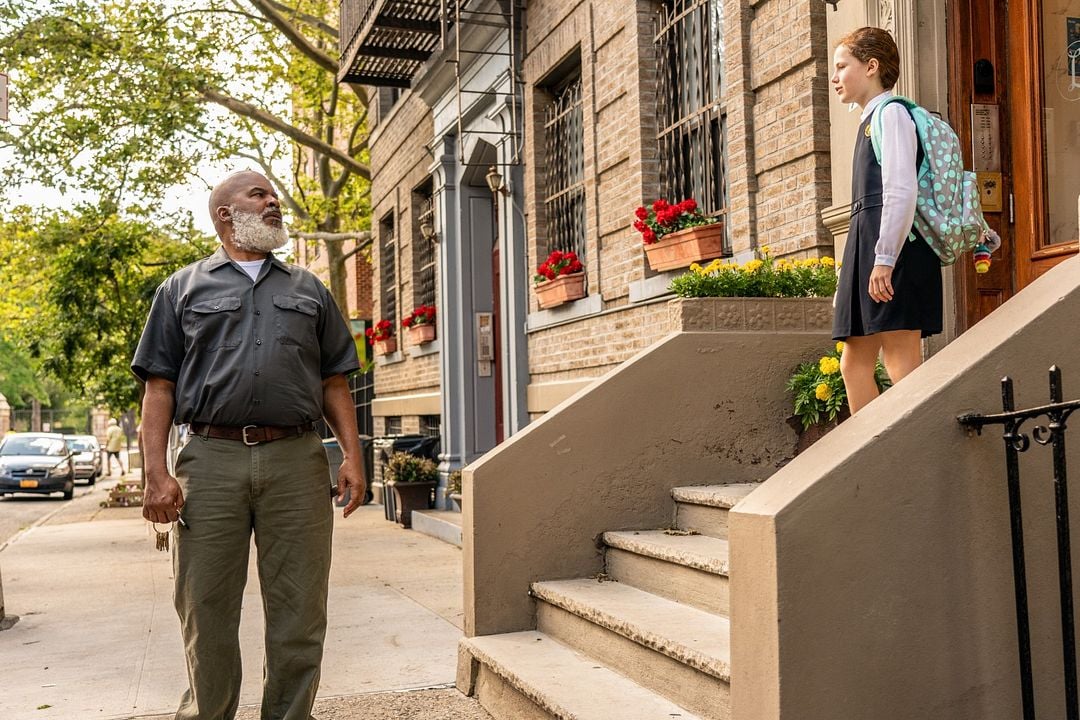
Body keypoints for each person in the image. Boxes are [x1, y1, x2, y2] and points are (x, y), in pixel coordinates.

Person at [131, 170, 366, 720]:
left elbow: (335, 380)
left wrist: (352, 455)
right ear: (224, 214)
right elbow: (158, 386)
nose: (273, 202)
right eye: (258, 195)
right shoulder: (182, 289)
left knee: (300, 610)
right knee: (205, 608)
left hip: (297, 459)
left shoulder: (308, 290)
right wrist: (156, 472)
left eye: (273, 194)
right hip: (210, 460)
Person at [830, 27, 942, 413]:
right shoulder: (869, 120)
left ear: (871, 66)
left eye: (842, 66)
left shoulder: (892, 115)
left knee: (901, 359)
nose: (835, 77)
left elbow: (900, 190)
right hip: (871, 247)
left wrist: (885, 259)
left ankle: (919, 453)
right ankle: (872, 456)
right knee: (854, 363)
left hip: (895, 250)